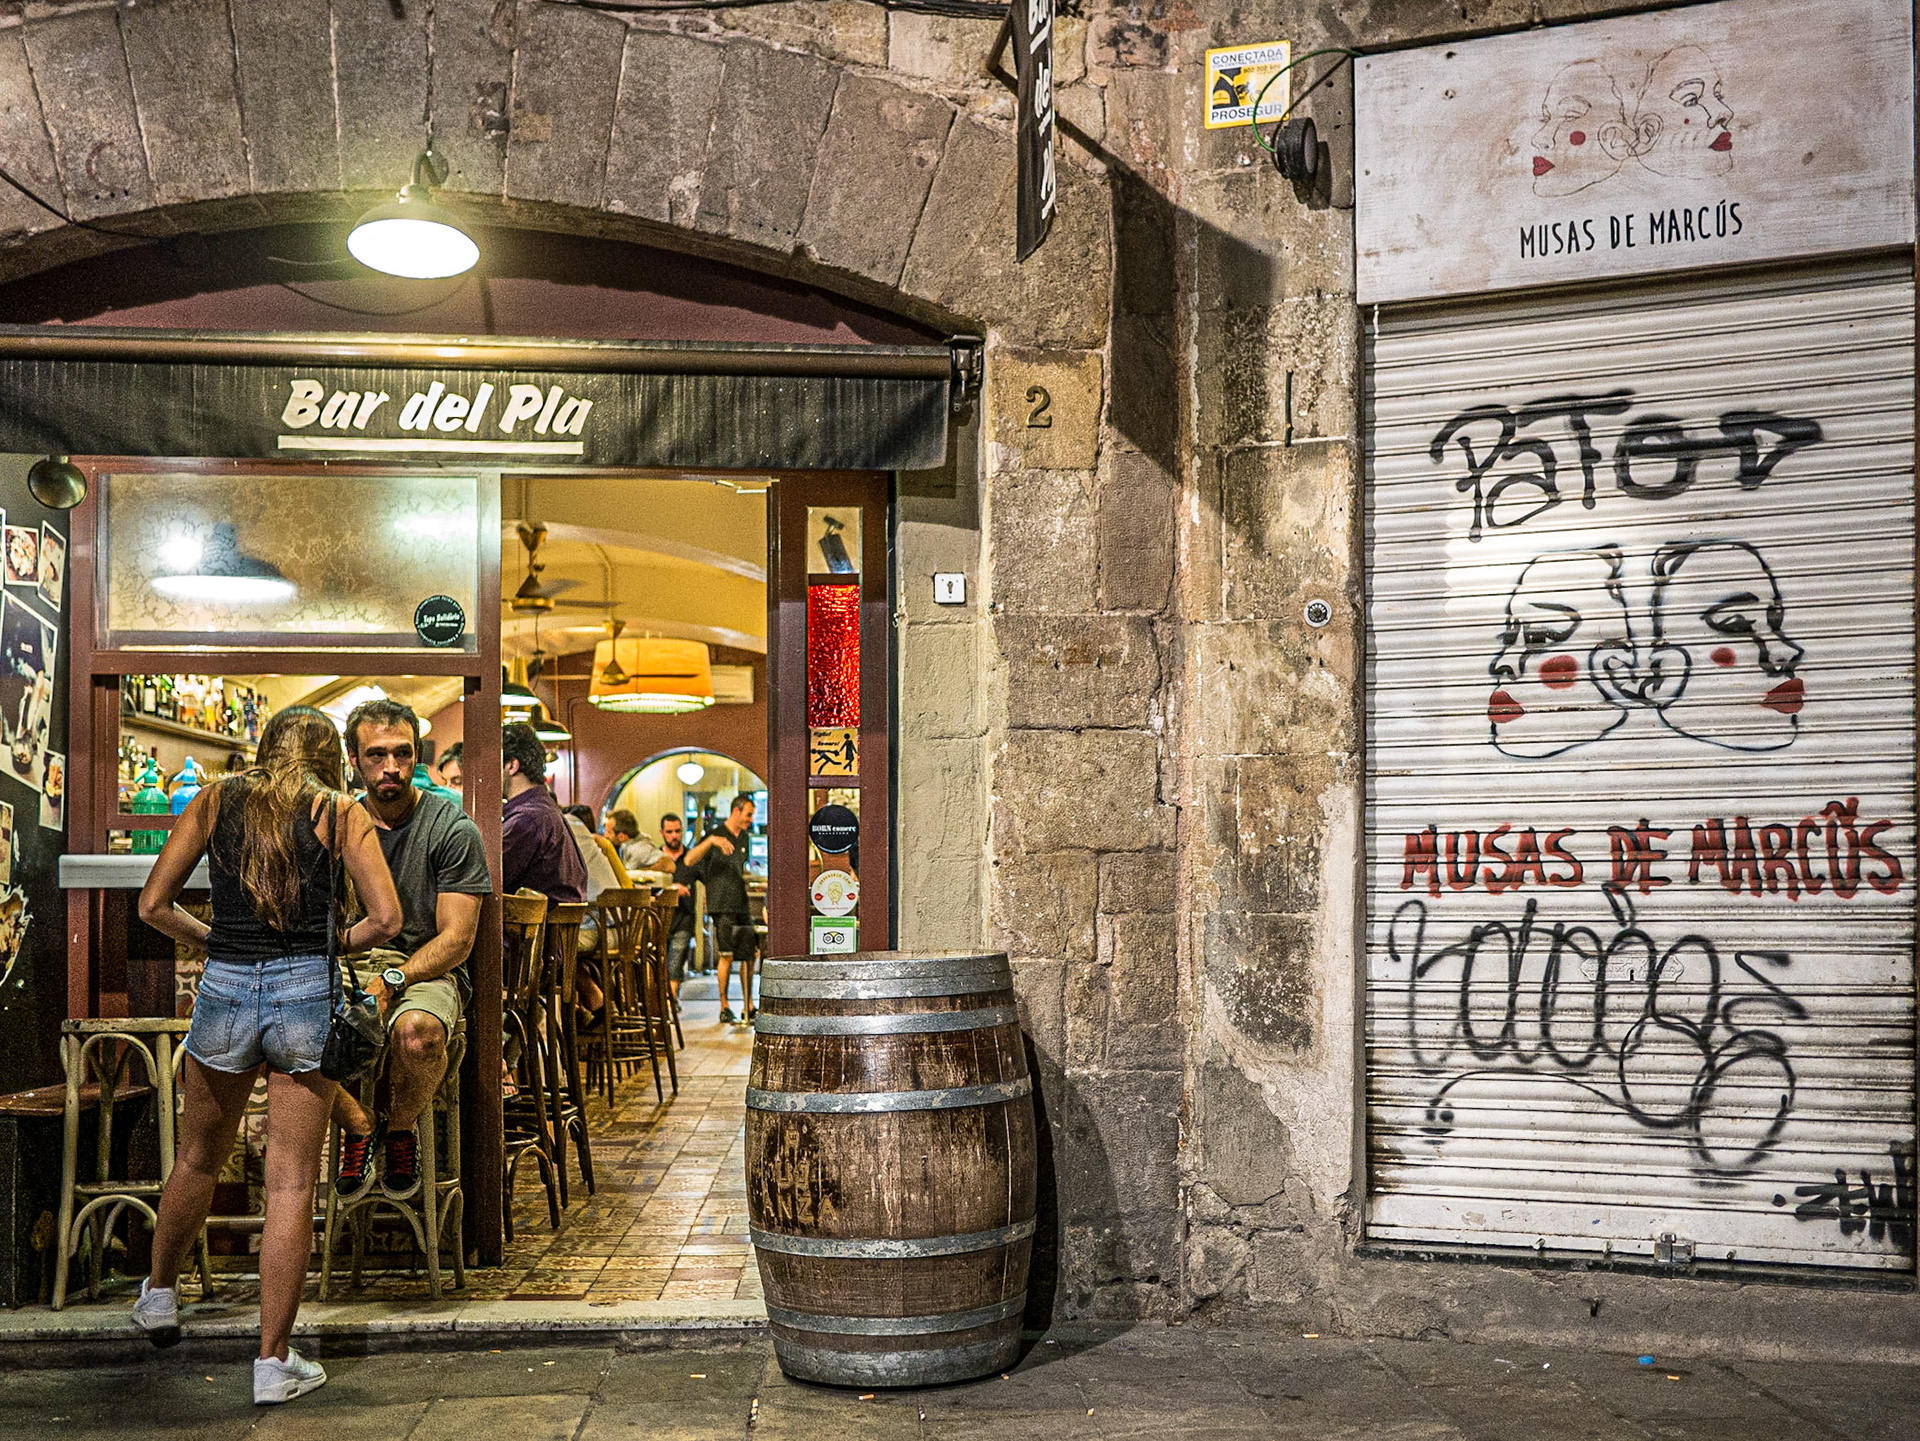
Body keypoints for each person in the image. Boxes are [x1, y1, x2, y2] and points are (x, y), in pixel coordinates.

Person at [132, 706, 402, 1405]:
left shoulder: (216, 797)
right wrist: (328, 946)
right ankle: (272, 1362)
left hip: (223, 984)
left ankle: (159, 1293)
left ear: (263, 744)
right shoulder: (338, 809)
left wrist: (214, 938)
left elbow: (154, 904)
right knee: (290, 1184)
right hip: (302, 994)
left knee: (196, 1154)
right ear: (333, 757)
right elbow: (388, 919)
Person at [330, 699, 493, 1206]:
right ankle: (359, 1125)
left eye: (402, 754)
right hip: (345, 962)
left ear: (418, 756)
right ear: (354, 760)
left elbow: (457, 939)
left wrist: (393, 981)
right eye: (376, 755)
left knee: (418, 1033)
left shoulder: (451, 828)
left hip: (425, 967)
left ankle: (400, 1129)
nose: (391, 768)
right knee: (276, 1023)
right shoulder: (333, 822)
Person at [687, 793, 757, 1023]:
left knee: (749, 953)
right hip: (721, 903)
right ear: (736, 811)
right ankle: (724, 1006)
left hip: (741, 901)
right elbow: (689, 860)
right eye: (748, 814)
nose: (750, 819)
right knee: (726, 954)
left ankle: (749, 1004)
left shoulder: (744, 837)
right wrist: (711, 842)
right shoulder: (715, 835)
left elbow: (740, 868)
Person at [501, 723, 586, 904]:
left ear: (511, 765)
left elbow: (488, 882)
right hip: (556, 928)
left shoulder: (526, 820)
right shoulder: (542, 808)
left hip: (537, 931)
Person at [653, 813, 697, 998]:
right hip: (659, 919)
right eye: (669, 832)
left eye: (678, 831)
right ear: (662, 832)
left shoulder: (690, 857)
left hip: (684, 918)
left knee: (676, 962)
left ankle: (670, 1000)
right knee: (658, 963)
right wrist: (672, 889)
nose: (674, 836)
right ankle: (665, 1000)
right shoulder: (655, 858)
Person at [607, 808, 661, 872]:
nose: (606, 835)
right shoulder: (631, 844)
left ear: (622, 837)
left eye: (609, 832)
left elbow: (626, 877)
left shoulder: (638, 850)